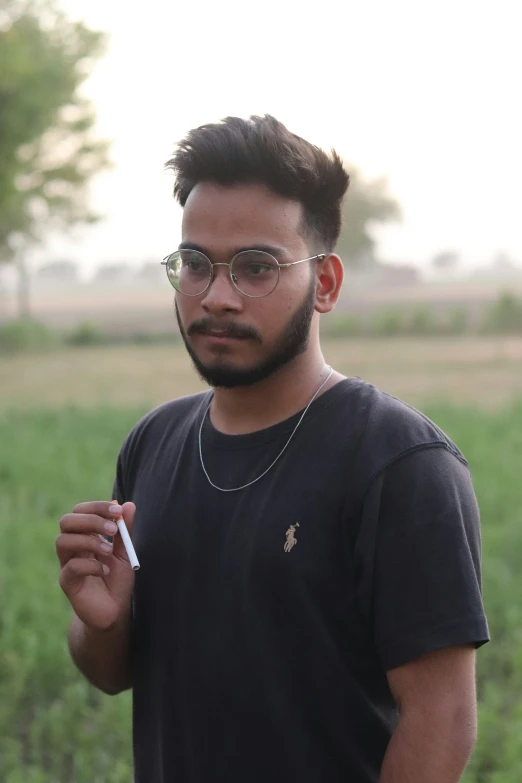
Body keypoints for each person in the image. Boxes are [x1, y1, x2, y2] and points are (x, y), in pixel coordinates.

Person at [56, 115, 490, 783]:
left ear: (325, 284)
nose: (217, 296)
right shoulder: (154, 442)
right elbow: (112, 672)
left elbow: (442, 719)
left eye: (256, 267)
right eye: (195, 264)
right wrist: (103, 621)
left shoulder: (398, 463)